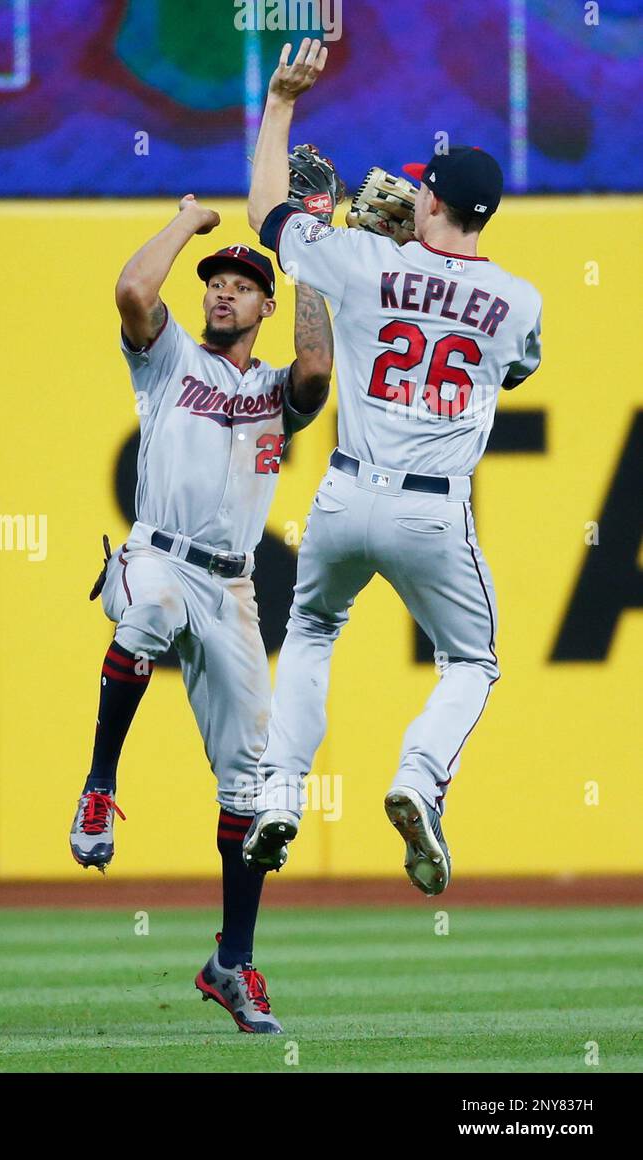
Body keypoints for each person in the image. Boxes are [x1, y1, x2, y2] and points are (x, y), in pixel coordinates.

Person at [242, 39, 543, 895]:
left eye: (420, 185)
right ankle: (417, 778)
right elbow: (515, 367)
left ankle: (279, 795)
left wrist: (281, 104)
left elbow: (266, 208)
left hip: (343, 494)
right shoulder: (520, 301)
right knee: (473, 662)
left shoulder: (364, 261)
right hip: (434, 514)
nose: (406, 191)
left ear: (439, 200)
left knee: (308, 632)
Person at [71, 195, 333, 1032]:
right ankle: (99, 786)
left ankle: (233, 961)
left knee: (252, 788)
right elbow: (132, 294)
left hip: (232, 588)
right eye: (217, 282)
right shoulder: (169, 356)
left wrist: (311, 264)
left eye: (242, 285)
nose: (224, 291)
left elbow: (318, 372)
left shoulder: (269, 390)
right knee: (144, 610)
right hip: (157, 551)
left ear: (264, 304)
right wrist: (187, 223)